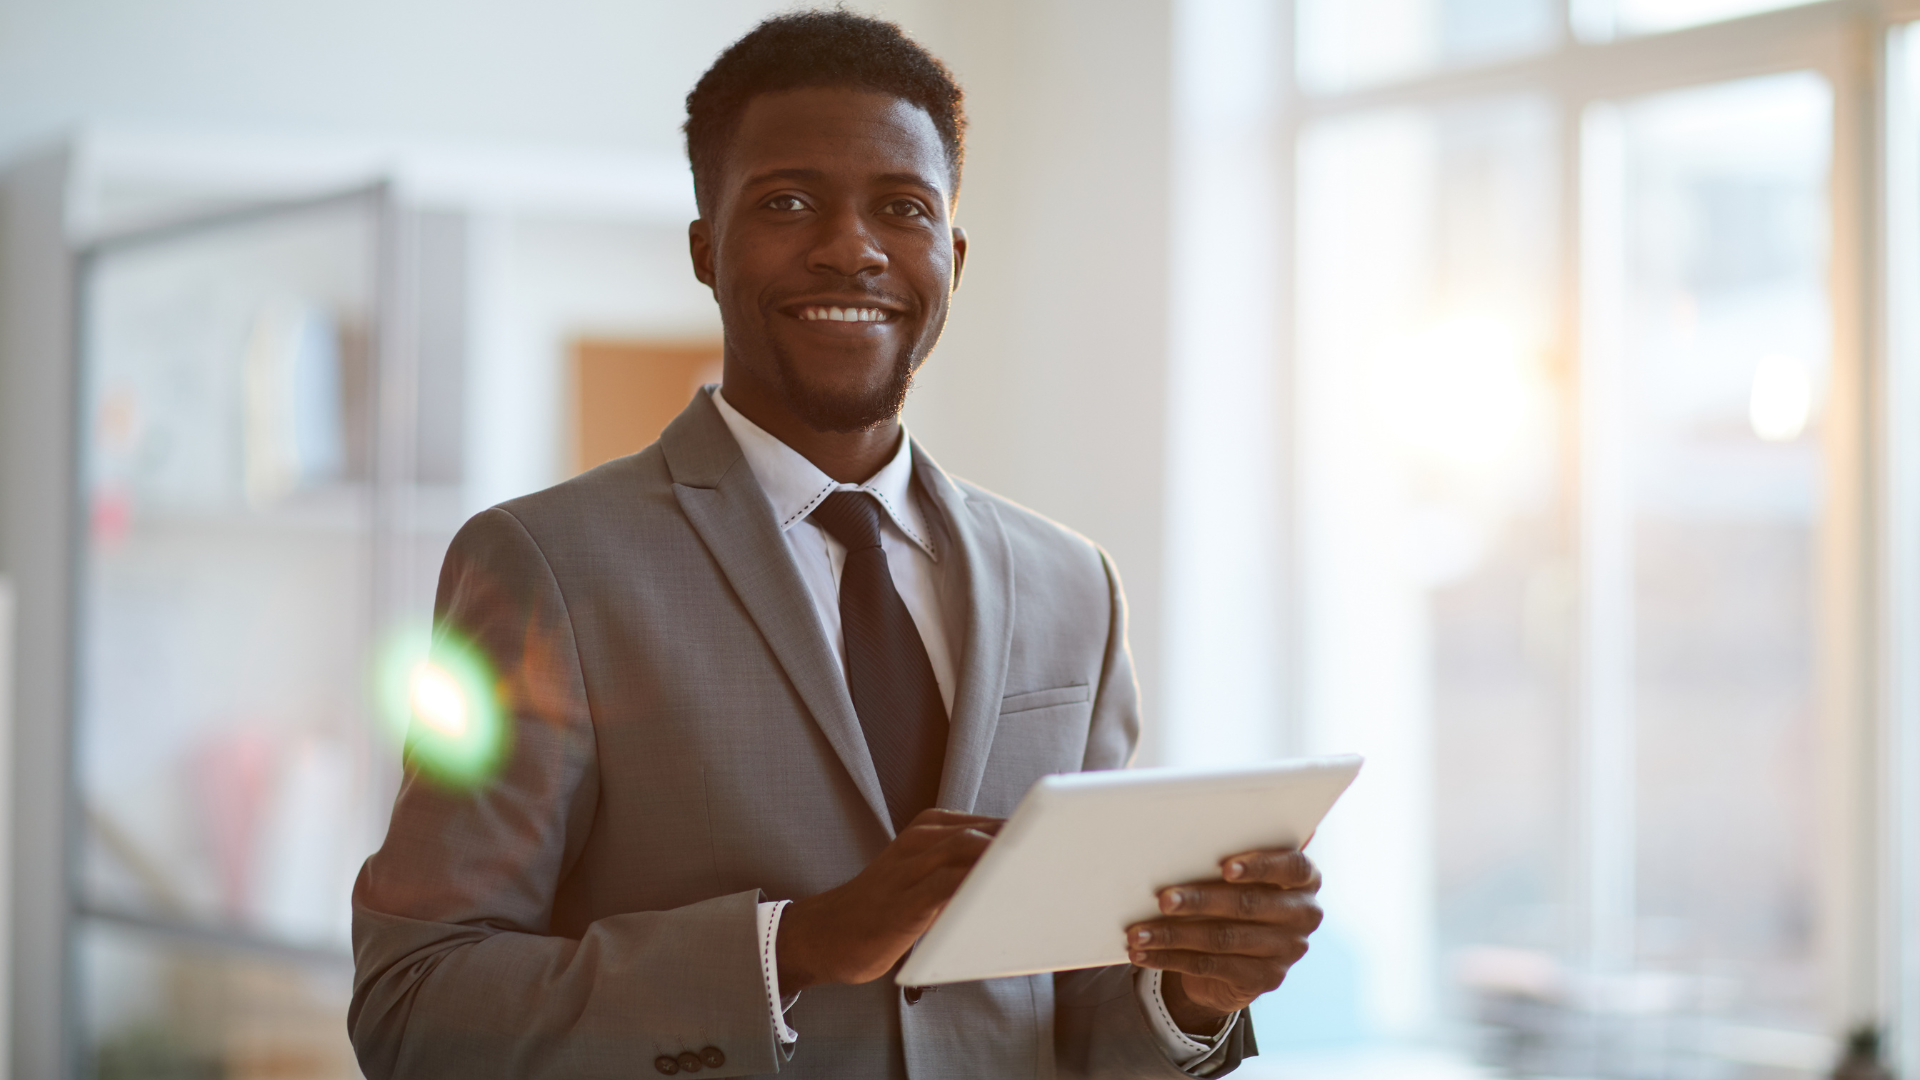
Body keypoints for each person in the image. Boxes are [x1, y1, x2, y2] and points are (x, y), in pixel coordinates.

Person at [349, 11, 1323, 1079]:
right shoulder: (545, 565)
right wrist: (793, 946)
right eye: (788, 201)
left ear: (948, 256)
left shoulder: (1070, 588)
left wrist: (1192, 993)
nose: (851, 246)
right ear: (705, 249)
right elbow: (416, 1006)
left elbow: (1069, 1019)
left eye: (901, 208)